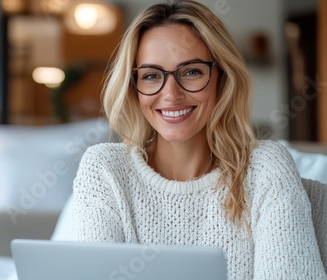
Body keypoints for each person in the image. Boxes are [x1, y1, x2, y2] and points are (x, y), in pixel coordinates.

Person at [71, 0, 326, 279]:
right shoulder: (105, 170)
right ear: (134, 88)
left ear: (222, 77)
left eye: (191, 72)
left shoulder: (266, 168)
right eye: (151, 76)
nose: (170, 94)